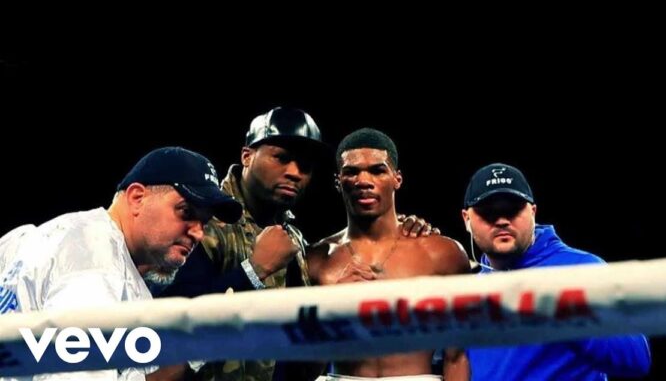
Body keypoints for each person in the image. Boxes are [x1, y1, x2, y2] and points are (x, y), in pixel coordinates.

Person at [159, 108, 438, 381]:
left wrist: (329, 307)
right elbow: (168, 328)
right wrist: (253, 271)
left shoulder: (297, 243)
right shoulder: (200, 224)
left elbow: (301, 362)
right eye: (281, 158)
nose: (294, 172)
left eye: (305, 166)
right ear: (247, 156)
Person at [0, 146, 242, 380]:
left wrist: (200, 346)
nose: (198, 233)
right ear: (137, 198)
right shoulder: (96, 266)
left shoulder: (56, 236)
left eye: (204, 222)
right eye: (186, 212)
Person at [460, 163, 651, 380]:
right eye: (488, 212)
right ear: (467, 219)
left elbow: (637, 359)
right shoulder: (469, 288)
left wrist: (562, 313)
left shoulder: (581, 268)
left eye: (513, 209)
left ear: (533, 212)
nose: (502, 221)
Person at [307, 128, 471, 381]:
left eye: (377, 170)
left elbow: (456, 356)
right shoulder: (316, 259)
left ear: (397, 178)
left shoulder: (443, 254)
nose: (363, 181)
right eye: (352, 172)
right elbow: (300, 367)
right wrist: (330, 309)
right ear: (338, 182)